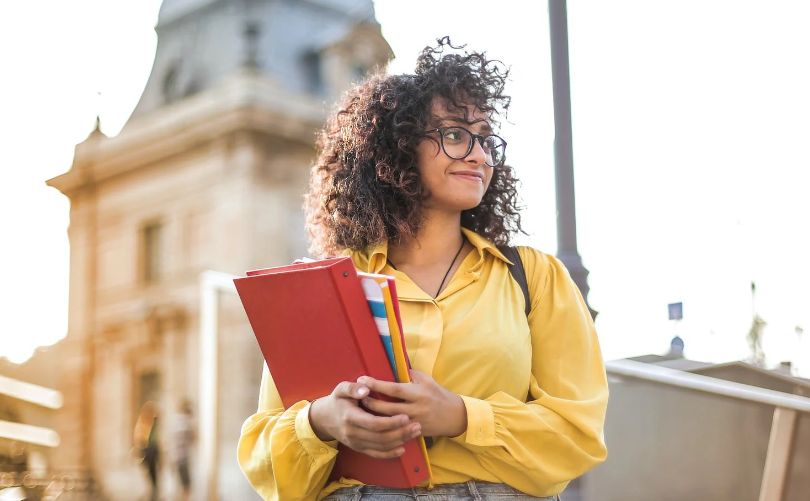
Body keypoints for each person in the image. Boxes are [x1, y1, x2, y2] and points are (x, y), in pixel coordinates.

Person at [237, 37, 608, 501]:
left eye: (486, 138)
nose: (478, 154)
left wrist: (459, 415)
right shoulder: (330, 286)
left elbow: (579, 434)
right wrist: (323, 421)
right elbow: (264, 458)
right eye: (454, 134)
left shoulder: (534, 278)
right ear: (398, 148)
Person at [134, 401, 160, 501]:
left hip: (152, 451)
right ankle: (150, 493)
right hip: (147, 451)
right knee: (149, 474)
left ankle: (153, 493)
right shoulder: (143, 423)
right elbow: (140, 439)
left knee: (154, 475)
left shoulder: (153, 423)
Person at [170, 400, 195, 501]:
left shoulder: (174, 421)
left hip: (175, 457)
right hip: (183, 458)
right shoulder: (186, 424)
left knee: (179, 485)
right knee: (186, 486)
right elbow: (193, 438)